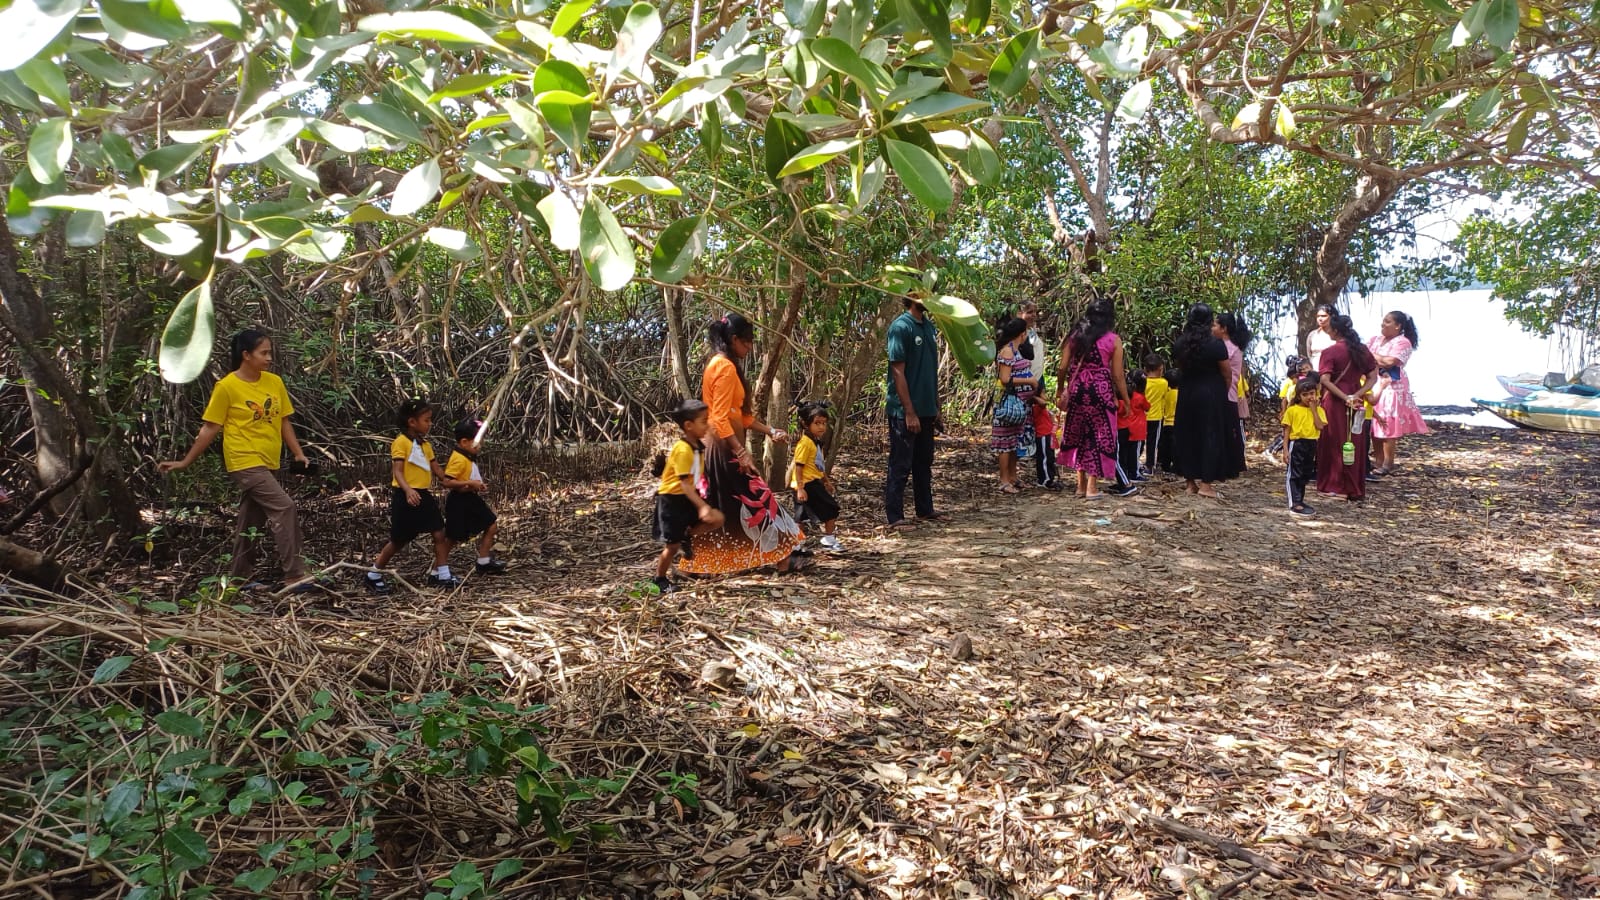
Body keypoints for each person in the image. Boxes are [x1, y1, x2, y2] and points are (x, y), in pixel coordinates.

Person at [159, 330, 314, 592]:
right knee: (284, 507)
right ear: (246, 355)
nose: (269, 358)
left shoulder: (274, 382)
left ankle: (239, 578)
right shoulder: (227, 387)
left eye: (269, 352)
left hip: (268, 459)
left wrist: (298, 453)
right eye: (263, 353)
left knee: (251, 518)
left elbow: (283, 420)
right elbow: (210, 428)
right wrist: (185, 462)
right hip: (243, 459)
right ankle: (295, 576)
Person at [678, 313, 807, 575]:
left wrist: (770, 430)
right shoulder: (723, 368)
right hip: (723, 447)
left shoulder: (720, 364)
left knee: (724, 506)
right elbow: (719, 417)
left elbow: (741, 416)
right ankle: (783, 559)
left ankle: (695, 563)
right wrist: (740, 451)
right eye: (746, 342)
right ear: (733, 340)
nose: (749, 348)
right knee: (760, 499)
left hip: (720, 445)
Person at [366, 399, 468, 594]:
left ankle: (442, 574)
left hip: (424, 495)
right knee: (398, 540)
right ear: (412, 422)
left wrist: (453, 480)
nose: (430, 424)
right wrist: (408, 490)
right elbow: (398, 471)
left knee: (439, 532)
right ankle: (373, 574)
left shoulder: (425, 445)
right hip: (405, 496)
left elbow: (436, 468)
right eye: (426, 420)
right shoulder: (400, 442)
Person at [1056, 297, 1132, 499]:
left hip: (1078, 391)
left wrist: (1060, 389)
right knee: (1098, 437)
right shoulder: (1113, 340)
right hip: (1101, 392)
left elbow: (1063, 367)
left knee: (1079, 434)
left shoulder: (1075, 336)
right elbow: (1117, 375)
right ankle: (1092, 487)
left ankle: (1080, 487)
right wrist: (1125, 399)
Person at [651, 399, 725, 593]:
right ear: (688, 425)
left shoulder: (698, 447)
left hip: (687, 497)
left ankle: (687, 536)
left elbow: (695, 479)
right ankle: (659, 579)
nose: (707, 424)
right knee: (671, 546)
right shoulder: (683, 449)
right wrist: (701, 506)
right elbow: (684, 484)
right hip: (671, 500)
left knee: (717, 519)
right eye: (703, 421)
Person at [1170, 304, 1244, 497]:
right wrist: (1222, 393)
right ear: (1209, 320)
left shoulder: (1180, 343)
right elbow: (1227, 374)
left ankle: (1189, 483)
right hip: (1211, 393)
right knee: (1210, 436)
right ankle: (1206, 485)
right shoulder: (1215, 344)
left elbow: (1180, 367)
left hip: (1186, 393)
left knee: (1187, 435)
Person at [884, 296, 944, 530]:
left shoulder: (928, 326)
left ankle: (924, 509)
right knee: (900, 463)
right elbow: (898, 372)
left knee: (923, 461)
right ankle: (895, 516)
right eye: (924, 293)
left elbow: (930, 370)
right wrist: (909, 411)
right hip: (904, 410)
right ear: (912, 297)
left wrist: (936, 406)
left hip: (927, 408)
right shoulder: (901, 327)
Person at [1317, 315, 1379, 502]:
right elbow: (1373, 377)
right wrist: (1357, 394)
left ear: (1335, 330)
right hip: (1355, 400)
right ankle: (1354, 487)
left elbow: (1324, 380)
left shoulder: (1330, 352)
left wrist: (1345, 397)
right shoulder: (1362, 350)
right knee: (1355, 442)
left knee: (1333, 442)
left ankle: (1335, 486)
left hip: (1335, 402)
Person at [1366, 311, 1430, 476]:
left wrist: (1371, 356)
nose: (1383, 324)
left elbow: (1390, 362)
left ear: (1398, 326)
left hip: (1392, 385)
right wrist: (1375, 357)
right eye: (1383, 321)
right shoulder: (1375, 340)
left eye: (1387, 322)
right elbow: (1364, 357)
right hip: (1373, 381)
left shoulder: (1403, 342)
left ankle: (1388, 462)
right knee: (1373, 420)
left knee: (1388, 421)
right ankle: (1378, 459)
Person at [443, 420, 510, 577]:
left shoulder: (467, 456)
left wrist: (476, 485)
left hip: (470, 498)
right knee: (452, 537)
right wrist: (469, 483)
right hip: (459, 502)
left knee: (491, 525)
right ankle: (439, 568)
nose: (480, 445)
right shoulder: (458, 458)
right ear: (464, 442)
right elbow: (447, 481)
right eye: (478, 442)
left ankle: (483, 561)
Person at [991, 318, 1039, 494]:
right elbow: (1005, 379)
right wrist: (1029, 381)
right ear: (1022, 334)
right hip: (1008, 405)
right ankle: (1004, 480)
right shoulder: (1007, 352)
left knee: (1013, 441)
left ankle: (1013, 476)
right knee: (1004, 442)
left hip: (1020, 404)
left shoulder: (1016, 351)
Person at [791, 401, 843, 553]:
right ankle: (797, 545)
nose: (821, 427)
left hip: (814, 483)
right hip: (805, 485)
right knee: (801, 516)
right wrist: (800, 488)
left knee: (831, 509)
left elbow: (818, 465)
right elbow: (798, 466)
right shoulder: (805, 444)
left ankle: (829, 539)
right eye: (817, 423)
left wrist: (826, 481)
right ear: (806, 424)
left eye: (824, 423)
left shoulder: (816, 443)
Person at [1282, 378, 1324, 516]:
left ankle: (1300, 499)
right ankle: (1294, 502)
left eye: (1312, 393)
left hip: (1311, 443)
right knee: (1295, 473)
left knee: (1306, 473)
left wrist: (1314, 410)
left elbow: (1320, 426)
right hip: (1297, 443)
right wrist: (1286, 449)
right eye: (1305, 395)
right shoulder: (1292, 410)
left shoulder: (1319, 410)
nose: (1309, 397)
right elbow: (1286, 431)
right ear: (1299, 396)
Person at [1216, 311, 1252, 467]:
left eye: (1215, 325)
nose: (1212, 328)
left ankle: (1234, 463)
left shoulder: (1228, 348)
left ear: (1223, 329)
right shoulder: (1230, 346)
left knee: (1230, 430)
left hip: (1227, 392)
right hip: (1228, 392)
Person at [1141, 354, 1171, 477]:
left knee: (1140, 441)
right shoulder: (1163, 383)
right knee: (1153, 443)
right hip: (1156, 417)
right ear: (1160, 369)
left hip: (1142, 416)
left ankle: (1135, 464)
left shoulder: (1143, 382)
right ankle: (1150, 466)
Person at [1119, 371, 1150, 484]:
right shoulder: (1140, 397)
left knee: (1125, 453)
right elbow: (1148, 407)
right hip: (1138, 430)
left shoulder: (1125, 395)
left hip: (1126, 428)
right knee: (1135, 453)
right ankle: (1134, 473)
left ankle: (1126, 472)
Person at [1030, 396, 1060, 490]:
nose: (1045, 395)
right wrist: (1034, 395)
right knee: (1045, 458)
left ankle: (1049, 478)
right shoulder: (1037, 407)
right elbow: (1043, 403)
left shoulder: (1041, 408)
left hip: (1047, 435)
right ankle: (1045, 480)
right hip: (1042, 435)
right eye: (1043, 392)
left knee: (1049, 457)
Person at [1305, 303, 1338, 373]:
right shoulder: (1312, 335)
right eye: (1318, 316)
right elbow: (1309, 355)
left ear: (1332, 316)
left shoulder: (1337, 335)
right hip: (1315, 375)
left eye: (1323, 316)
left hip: (1333, 374)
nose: (1320, 319)